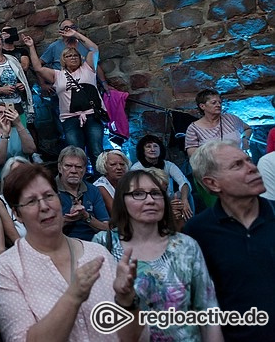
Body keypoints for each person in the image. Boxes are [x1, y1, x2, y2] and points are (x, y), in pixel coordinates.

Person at [0, 163, 143, 342]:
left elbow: (137, 338)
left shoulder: (97, 253)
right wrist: (73, 296)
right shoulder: (7, 268)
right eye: (31, 201)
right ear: (17, 214)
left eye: (49, 196)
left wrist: (127, 300)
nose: (44, 206)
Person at [92, 170, 222, 342]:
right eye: (138, 194)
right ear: (122, 200)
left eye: (156, 193)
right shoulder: (104, 244)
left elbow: (207, 307)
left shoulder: (185, 245)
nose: (150, 200)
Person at [184, 140, 275, 341]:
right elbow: (200, 302)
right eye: (237, 165)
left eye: (249, 160)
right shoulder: (198, 232)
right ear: (212, 183)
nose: (252, 168)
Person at [24, 27, 104, 164]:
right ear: (63, 60)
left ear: (80, 58)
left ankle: (101, 182)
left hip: (91, 115)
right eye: (68, 56)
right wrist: (31, 47)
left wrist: (76, 35)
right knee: (75, 154)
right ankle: (80, 182)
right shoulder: (58, 75)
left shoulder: (88, 68)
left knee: (96, 152)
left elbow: (94, 49)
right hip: (70, 119)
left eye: (75, 55)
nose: (72, 58)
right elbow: (38, 68)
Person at [132, 135, 193, 220]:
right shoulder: (136, 169)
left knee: (187, 195)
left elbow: (183, 182)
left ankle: (189, 222)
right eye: (148, 147)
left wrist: (184, 199)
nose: (153, 149)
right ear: (142, 150)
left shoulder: (168, 165)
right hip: (149, 201)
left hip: (169, 199)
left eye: (155, 146)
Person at [55, 146, 110, 240]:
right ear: (60, 168)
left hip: (92, 243)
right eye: (68, 166)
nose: (73, 171)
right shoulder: (49, 190)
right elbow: (40, 229)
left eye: (78, 167)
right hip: (60, 244)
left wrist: (86, 216)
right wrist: (67, 220)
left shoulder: (93, 190)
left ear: (84, 170)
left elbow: (106, 228)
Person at [185, 89, 252, 157]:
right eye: (214, 103)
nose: (218, 105)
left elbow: (248, 129)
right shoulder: (193, 129)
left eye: (220, 102)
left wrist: (245, 140)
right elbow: (193, 155)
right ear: (202, 106)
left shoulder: (231, 119)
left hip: (239, 163)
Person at [0, 100, 37, 182]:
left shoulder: (21, 130)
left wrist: (18, 123)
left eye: (7, 112)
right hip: (1, 179)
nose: (4, 115)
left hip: (24, 176)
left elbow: (30, 150)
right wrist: (5, 134)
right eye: (0, 112)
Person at [0, 157, 30, 252]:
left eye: (24, 173)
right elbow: (15, 240)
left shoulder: (37, 199)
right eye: (15, 173)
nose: (20, 177)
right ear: (6, 179)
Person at [94, 149, 131, 215]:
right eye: (113, 164)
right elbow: (117, 213)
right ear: (104, 166)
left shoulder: (125, 182)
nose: (119, 167)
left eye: (122, 164)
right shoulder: (100, 186)